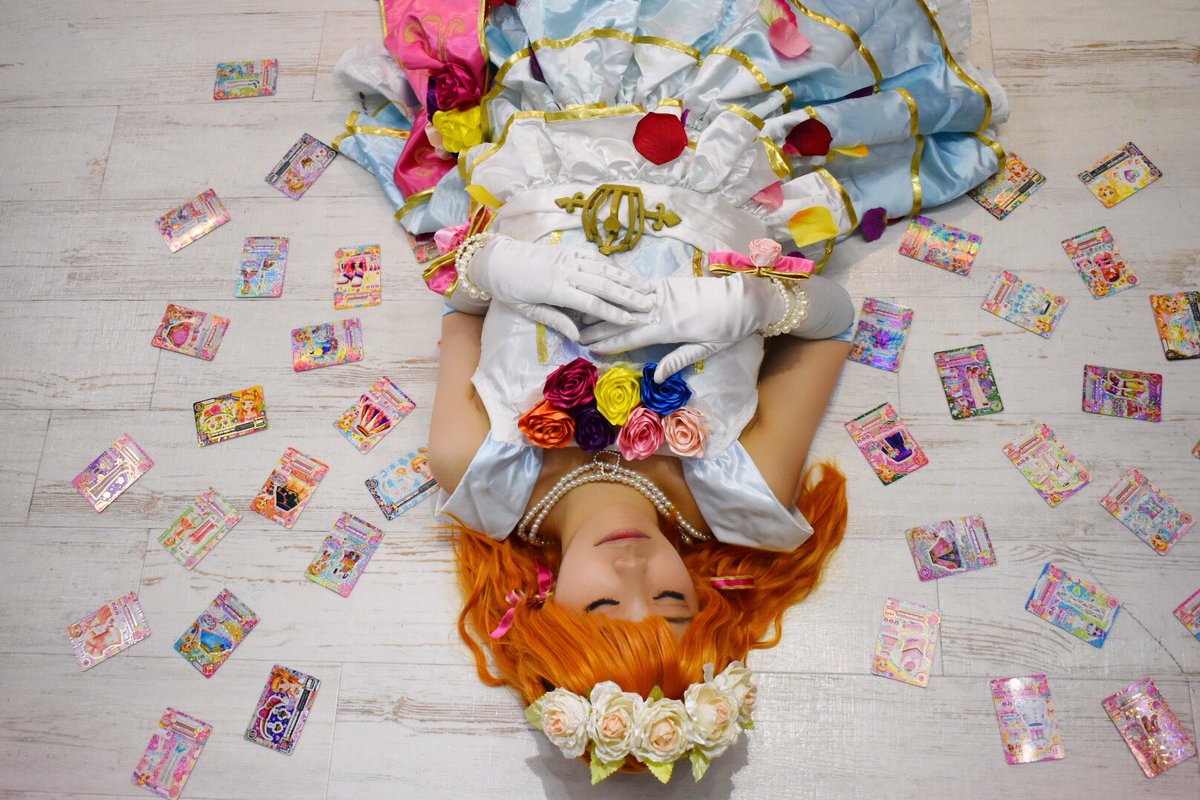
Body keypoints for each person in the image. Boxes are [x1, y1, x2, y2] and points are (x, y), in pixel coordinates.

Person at [335, 0, 1008, 782]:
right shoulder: (738, 490)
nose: (636, 576)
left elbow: (460, 305)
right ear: (702, 596)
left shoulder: (477, 466)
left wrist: (498, 267)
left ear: (544, 607)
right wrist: (758, 304)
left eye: (604, 606)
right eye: (671, 602)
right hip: (718, 135)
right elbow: (834, 324)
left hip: (553, 130)